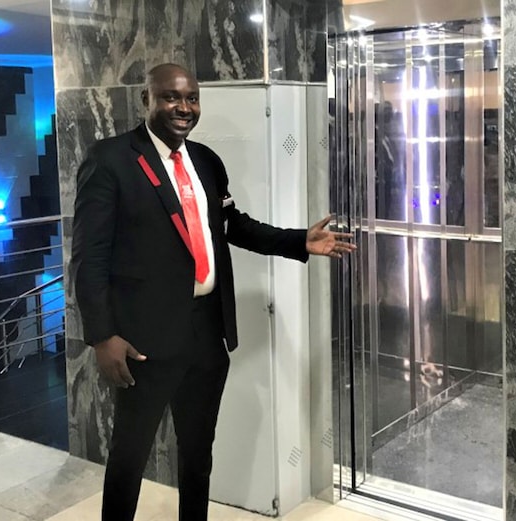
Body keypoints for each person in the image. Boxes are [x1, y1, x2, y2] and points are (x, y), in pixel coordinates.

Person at [71, 63, 356, 521]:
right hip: (143, 341)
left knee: (198, 452)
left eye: (192, 98)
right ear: (147, 100)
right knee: (129, 455)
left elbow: (232, 225)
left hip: (206, 334)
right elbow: (89, 258)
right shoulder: (111, 160)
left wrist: (298, 240)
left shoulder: (205, 160)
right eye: (171, 97)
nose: (183, 108)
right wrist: (102, 336)